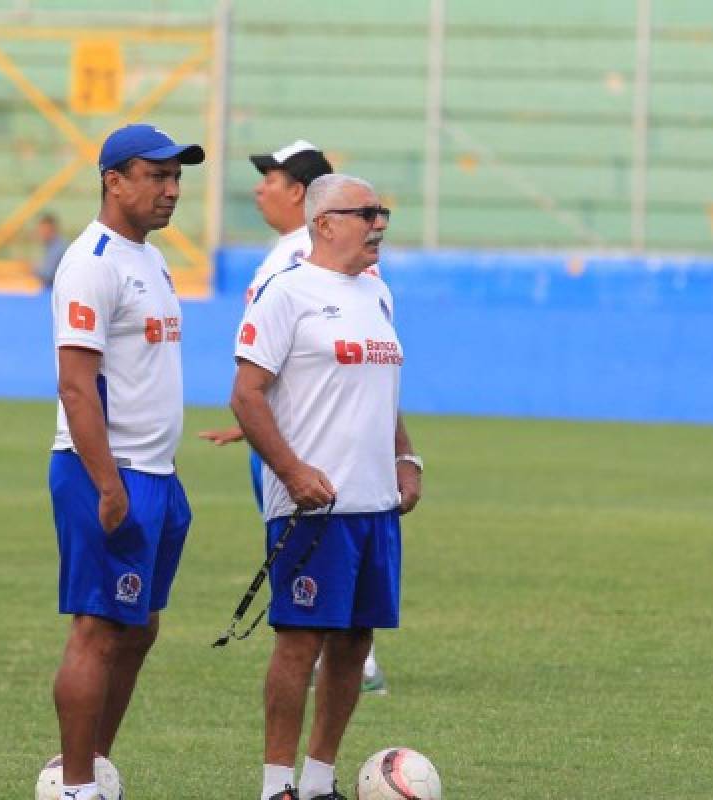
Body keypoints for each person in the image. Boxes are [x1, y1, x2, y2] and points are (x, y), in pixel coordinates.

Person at [230, 174, 423, 800]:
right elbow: (246, 396)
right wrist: (290, 472)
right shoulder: (286, 295)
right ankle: (275, 785)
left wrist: (405, 454)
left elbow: (381, 385)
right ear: (324, 222)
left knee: (355, 640)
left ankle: (317, 781)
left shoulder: (378, 293)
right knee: (299, 642)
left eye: (382, 212)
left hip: (375, 505)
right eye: (366, 213)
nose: (379, 224)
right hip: (313, 506)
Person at [48, 123, 204, 800]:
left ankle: (95, 763)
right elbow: (76, 384)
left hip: (157, 473)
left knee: (139, 627)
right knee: (99, 628)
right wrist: (107, 484)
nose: (171, 190)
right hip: (108, 473)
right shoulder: (93, 262)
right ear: (114, 180)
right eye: (156, 176)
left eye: (176, 178)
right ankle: (77, 783)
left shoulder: (150, 257)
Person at [199, 141, 388, 695]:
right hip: (285, 437)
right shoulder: (283, 255)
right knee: (305, 563)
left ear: (304, 196)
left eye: (273, 178)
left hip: (314, 460)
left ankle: (352, 661)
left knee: (303, 565)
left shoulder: (299, 263)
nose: (261, 188)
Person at [33, 212, 70, 289]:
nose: (40, 233)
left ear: (51, 229)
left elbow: (48, 274)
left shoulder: (58, 248)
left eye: (42, 229)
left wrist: (32, 269)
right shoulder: (52, 246)